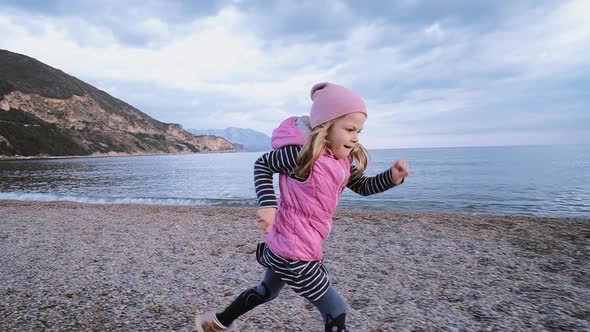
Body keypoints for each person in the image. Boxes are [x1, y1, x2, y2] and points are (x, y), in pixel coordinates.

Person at [195, 82, 410, 332]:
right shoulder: (301, 155)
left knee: (266, 291)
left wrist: (392, 178)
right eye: (350, 129)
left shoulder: (340, 162)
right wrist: (267, 204)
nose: (355, 137)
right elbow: (263, 165)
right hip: (296, 250)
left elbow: (363, 186)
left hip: (288, 242)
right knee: (335, 308)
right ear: (325, 127)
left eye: (359, 131)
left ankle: (216, 323)